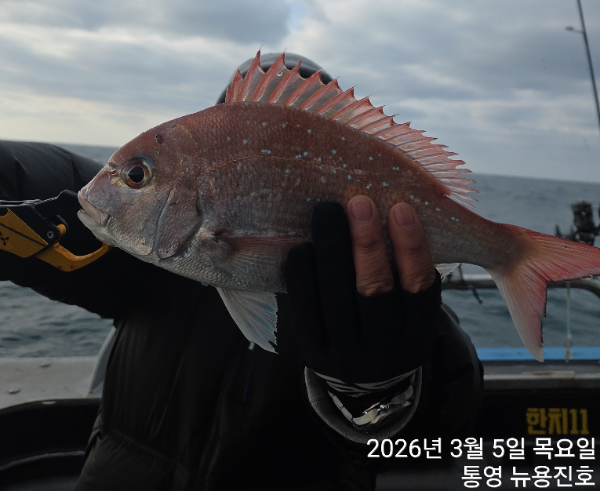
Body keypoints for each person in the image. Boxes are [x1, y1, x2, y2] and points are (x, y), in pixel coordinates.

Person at [0, 53, 482, 490]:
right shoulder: (135, 263)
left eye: (136, 177)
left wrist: (382, 387)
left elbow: (444, 427)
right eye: (138, 176)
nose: (110, 189)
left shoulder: (392, 306)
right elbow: (39, 175)